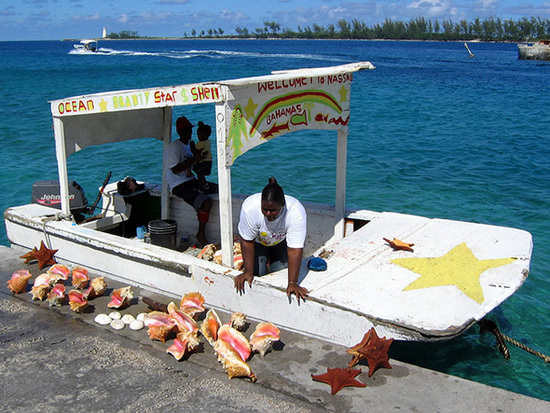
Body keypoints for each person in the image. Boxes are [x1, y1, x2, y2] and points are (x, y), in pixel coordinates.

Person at [234, 177, 309, 301]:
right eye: (265, 209)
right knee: (258, 274)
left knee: (278, 274)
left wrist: (293, 282)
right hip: (258, 243)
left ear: (283, 206)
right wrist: (248, 271)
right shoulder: (250, 208)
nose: (268, 214)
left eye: (273, 210)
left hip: (281, 242)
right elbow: (247, 241)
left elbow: (294, 250)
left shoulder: (296, 212)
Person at [165, 115, 216, 247]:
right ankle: (200, 234)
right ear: (180, 131)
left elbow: (194, 167)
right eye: (187, 130)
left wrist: (201, 177)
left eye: (190, 130)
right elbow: (175, 170)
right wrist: (194, 159)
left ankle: (200, 213)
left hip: (190, 180)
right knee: (206, 201)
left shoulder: (189, 146)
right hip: (178, 185)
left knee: (218, 189)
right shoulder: (174, 147)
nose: (190, 133)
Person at [192, 121, 212, 192]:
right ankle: (204, 184)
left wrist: (191, 145)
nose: (198, 137)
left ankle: (202, 186)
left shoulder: (201, 144)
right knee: (200, 174)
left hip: (203, 162)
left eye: (199, 135)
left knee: (199, 173)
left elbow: (194, 151)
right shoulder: (208, 142)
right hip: (208, 161)